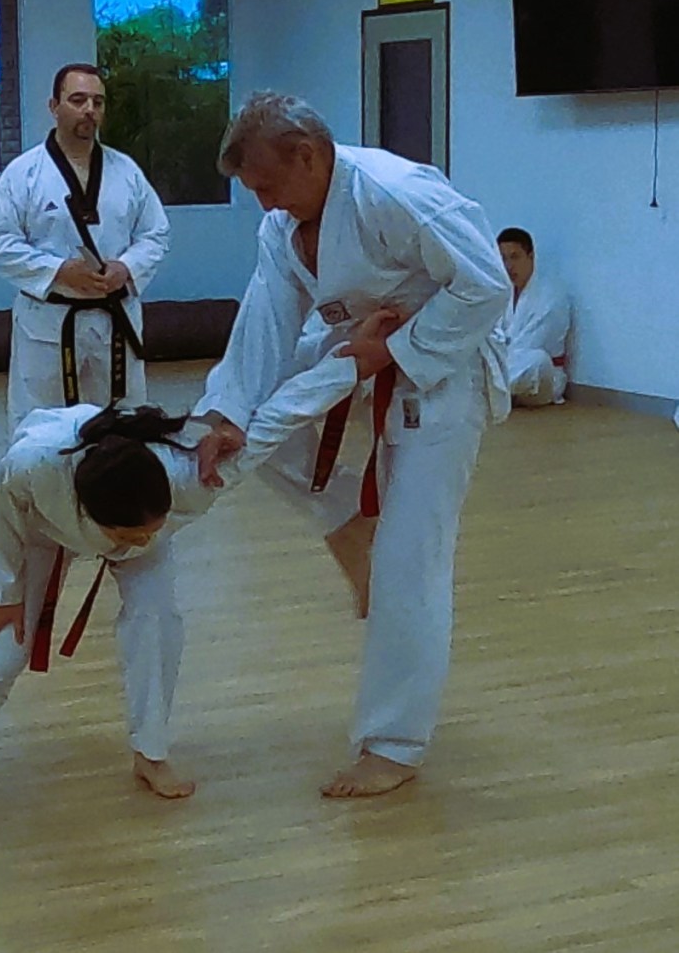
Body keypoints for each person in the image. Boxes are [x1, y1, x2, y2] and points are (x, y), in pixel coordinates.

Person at [0, 362, 366, 800]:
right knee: (0, 655)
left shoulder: (197, 473)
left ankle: (150, 753)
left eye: (151, 527)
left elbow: (276, 417)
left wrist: (353, 363)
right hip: (38, 531)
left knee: (157, 620)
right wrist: (4, 594)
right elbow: (3, 510)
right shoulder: (33, 465)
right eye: (128, 535)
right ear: (95, 520)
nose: (140, 540)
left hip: (121, 502)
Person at [195, 92, 512, 799]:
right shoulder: (283, 224)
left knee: (410, 560)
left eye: (268, 185)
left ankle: (394, 744)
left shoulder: (396, 194)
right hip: (357, 342)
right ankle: (347, 518)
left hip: (444, 368)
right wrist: (227, 411)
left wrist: (394, 351)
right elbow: (265, 319)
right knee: (239, 431)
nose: (264, 203)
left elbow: (487, 284)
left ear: (308, 155)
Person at [0, 63, 170, 432]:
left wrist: (126, 268)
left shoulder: (126, 171)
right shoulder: (24, 173)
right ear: (54, 106)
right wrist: (58, 270)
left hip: (113, 318)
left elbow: (156, 233)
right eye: (78, 100)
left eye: (98, 102)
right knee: (41, 428)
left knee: (121, 427)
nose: (89, 110)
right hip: (48, 321)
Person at [497, 227, 571, 407]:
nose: (508, 266)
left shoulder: (551, 297)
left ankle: (485, 390)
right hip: (505, 367)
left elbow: (527, 346)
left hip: (541, 379)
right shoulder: (503, 293)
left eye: (515, 257)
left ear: (530, 257)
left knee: (537, 359)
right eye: (503, 258)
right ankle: (493, 391)